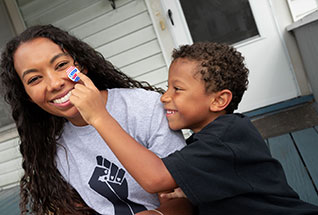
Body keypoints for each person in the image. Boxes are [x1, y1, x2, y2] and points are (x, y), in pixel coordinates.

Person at [69, 42, 318, 214]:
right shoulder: (206, 143)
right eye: (167, 88)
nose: (164, 97)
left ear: (218, 100)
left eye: (177, 89)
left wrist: (100, 117)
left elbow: (155, 178)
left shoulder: (228, 134)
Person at [0, 25, 191, 215]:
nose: (55, 83)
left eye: (60, 65)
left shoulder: (144, 108)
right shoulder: (55, 147)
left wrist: (98, 117)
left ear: (81, 65)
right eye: (34, 79)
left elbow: (184, 198)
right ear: (27, 95)